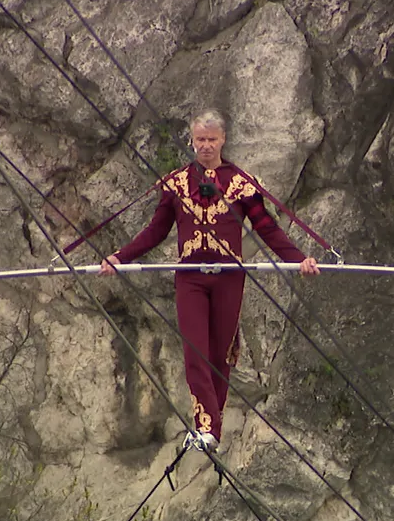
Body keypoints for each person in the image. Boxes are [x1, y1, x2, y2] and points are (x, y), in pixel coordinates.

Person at [99, 110, 319, 452]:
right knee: (195, 349)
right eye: (199, 139)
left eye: (211, 140)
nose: (205, 146)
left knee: (219, 353)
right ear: (192, 140)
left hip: (229, 277)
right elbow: (156, 231)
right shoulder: (176, 183)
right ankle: (207, 426)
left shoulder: (242, 184)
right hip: (190, 278)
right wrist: (120, 257)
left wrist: (298, 260)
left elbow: (267, 228)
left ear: (222, 140)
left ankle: (210, 430)